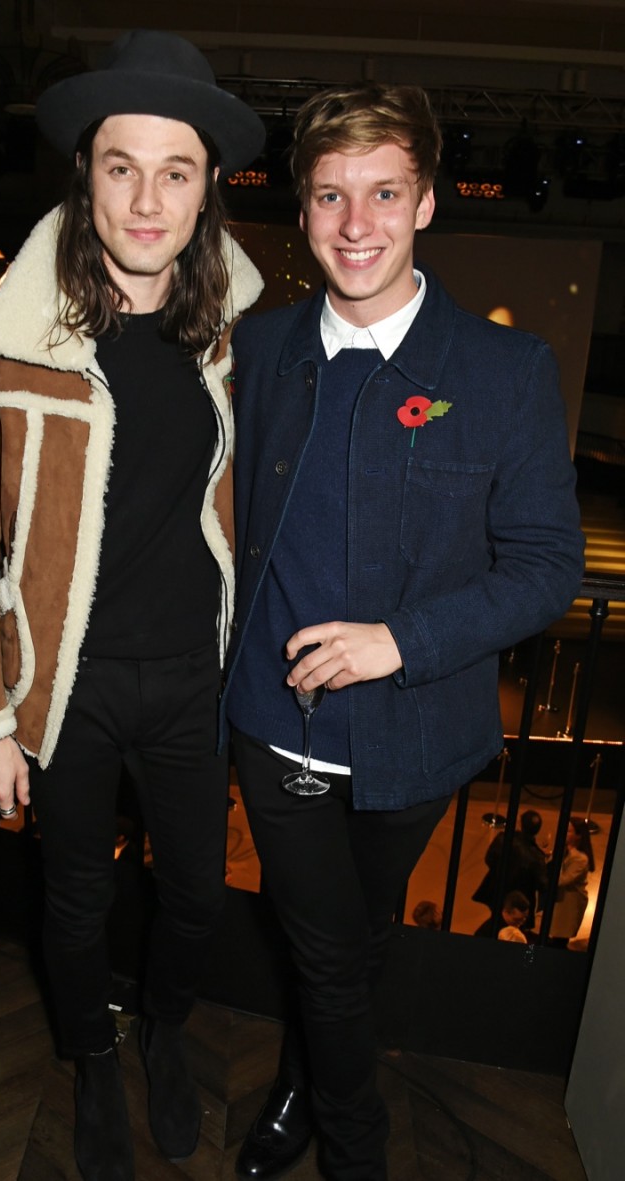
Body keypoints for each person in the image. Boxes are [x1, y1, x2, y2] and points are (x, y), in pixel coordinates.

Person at [221, 82, 585, 1181]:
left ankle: (295, 1077)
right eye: (329, 194)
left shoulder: (501, 370)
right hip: (275, 721)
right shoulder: (260, 348)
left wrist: (399, 639)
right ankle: (354, 1147)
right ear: (301, 207)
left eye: (382, 192)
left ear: (424, 202)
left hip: (420, 735)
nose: (353, 223)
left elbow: (544, 567)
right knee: (329, 953)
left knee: (356, 936)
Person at [0, 30, 265, 1181]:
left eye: (176, 169)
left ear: (209, 183)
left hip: (188, 677)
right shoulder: (1, 344)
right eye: (122, 165)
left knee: (197, 896)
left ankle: (165, 1025)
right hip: (55, 683)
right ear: (86, 172)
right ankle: (90, 1056)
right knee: (69, 904)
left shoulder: (235, 332)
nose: (146, 197)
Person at [472, 807, 548, 928]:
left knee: (496, 922)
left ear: (520, 823)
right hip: (520, 900)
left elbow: (489, 859)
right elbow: (542, 884)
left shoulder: (504, 838)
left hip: (498, 890)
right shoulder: (536, 856)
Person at [549, 816, 594, 947]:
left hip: (569, 904)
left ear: (578, 835)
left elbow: (563, 880)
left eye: (569, 831)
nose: (564, 833)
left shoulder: (580, 858)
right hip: (561, 901)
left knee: (560, 940)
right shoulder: (565, 850)